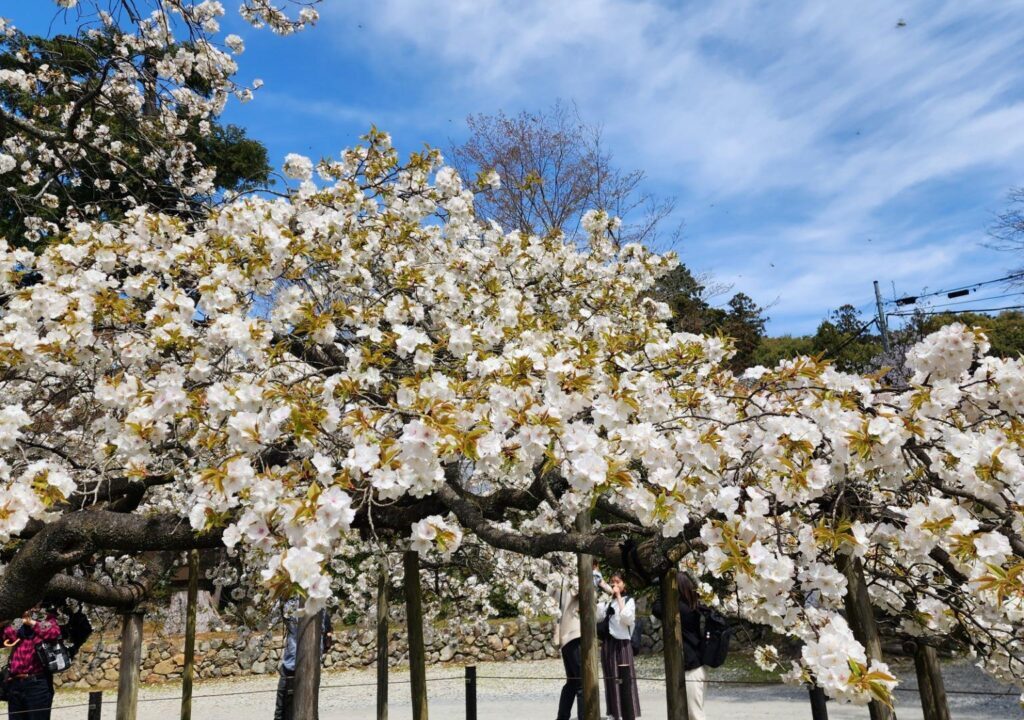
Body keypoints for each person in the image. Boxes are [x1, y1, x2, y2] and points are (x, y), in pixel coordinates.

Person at [653, 572, 706, 720]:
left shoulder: (682, 609)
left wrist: (661, 590)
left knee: (695, 715)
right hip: (694, 666)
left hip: (692, 670)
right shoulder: (691, 606)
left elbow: (656, 608)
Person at [274, 600, 333, 720]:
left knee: (284, 712)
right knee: (304, 708)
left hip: (293, 665)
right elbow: (327, 631)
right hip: (307, 665)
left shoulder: (293, 603)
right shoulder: (320, 605)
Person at [2, 608, 62, 720]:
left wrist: (32, 623)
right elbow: (8, 635)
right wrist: (21, 621)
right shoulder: (19, 620)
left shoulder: (44, 617)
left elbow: (54, 633)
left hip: (37, 683)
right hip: (15, 683)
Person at [597, 573, 640, 720]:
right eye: (612, 582)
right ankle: (614, 712)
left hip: (622, 643)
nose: (615, 584)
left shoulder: (629, 600)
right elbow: (598, 617)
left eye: (618, 582)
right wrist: (602, 596)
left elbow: (627, 618)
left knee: (625, 677)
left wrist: (619, 597)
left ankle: (628, 712)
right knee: (610, 677)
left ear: (624, 584)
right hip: (608, 643)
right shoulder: (607, 601)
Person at [549, 572, 582, 720]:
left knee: (572, 682)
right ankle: (583, 716)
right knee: (581, 682)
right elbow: (589, 594)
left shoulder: (554, 579)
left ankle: (562, 717)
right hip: (574, 633)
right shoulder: (572, 578)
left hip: (564, 635)